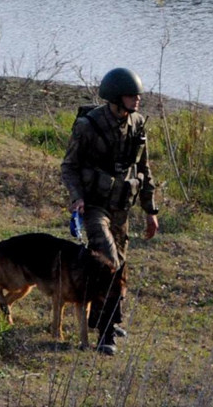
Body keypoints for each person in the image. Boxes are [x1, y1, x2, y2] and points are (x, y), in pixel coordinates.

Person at [60, 67, 160, 356]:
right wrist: (77, 197)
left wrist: (150, 210)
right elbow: (69, 166)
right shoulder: (88, 126)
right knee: (109, 263)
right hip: (95, 206)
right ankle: (106, 334)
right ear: (117, 97)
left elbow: (144, 169)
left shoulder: (138, 124)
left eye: (138, 94)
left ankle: (105, 319)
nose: (138, 99)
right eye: (132, 95)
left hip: (122, 208)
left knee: (121, 266)